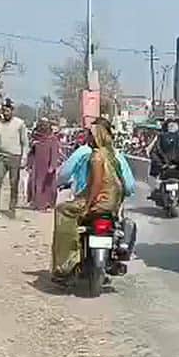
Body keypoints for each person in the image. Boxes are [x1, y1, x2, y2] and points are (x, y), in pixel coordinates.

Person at [52, 119, 129, 281]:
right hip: (112, 204)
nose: (87, 137)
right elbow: (126, 184)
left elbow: (96, 184)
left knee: (62, 210)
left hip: (99, 202)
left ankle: (67, 263)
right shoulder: (113, 155)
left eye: (90, 134)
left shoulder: (96, 156)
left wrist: (87, 205)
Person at [0, 99, 29, 219]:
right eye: (4, 111)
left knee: (13, 183)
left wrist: (24, 158)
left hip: (15, 157)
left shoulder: (20, 124)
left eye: (7, 111)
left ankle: (12, 208)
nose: (5, 113)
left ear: (12, 111)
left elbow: (25, 143)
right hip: (1, 157)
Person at [27, 121, 64, 211]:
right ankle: (37, 203)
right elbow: (31, 154)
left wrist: (52, 166)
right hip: (37, 166)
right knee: (36, 184)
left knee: (48, 186)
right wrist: (29, 165)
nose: (43, 128)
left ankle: (48, 203)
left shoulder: (52, 139)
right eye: (41, 126)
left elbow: (55, 153)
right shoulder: (35, 139)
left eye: (45, 126)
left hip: (48, 166)